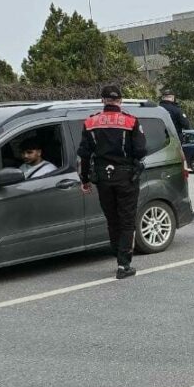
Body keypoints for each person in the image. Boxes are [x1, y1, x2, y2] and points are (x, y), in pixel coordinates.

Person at [77, 85, 147, 280]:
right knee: (127, 220)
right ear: (120, 101)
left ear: (102, 100)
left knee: (112, 218)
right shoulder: (130, 121)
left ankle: (117, 253)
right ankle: (124, 264)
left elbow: (84, 153)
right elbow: (141, 151)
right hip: (126, 177)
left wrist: (84, 180)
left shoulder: (91, 122)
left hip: (103, 178)